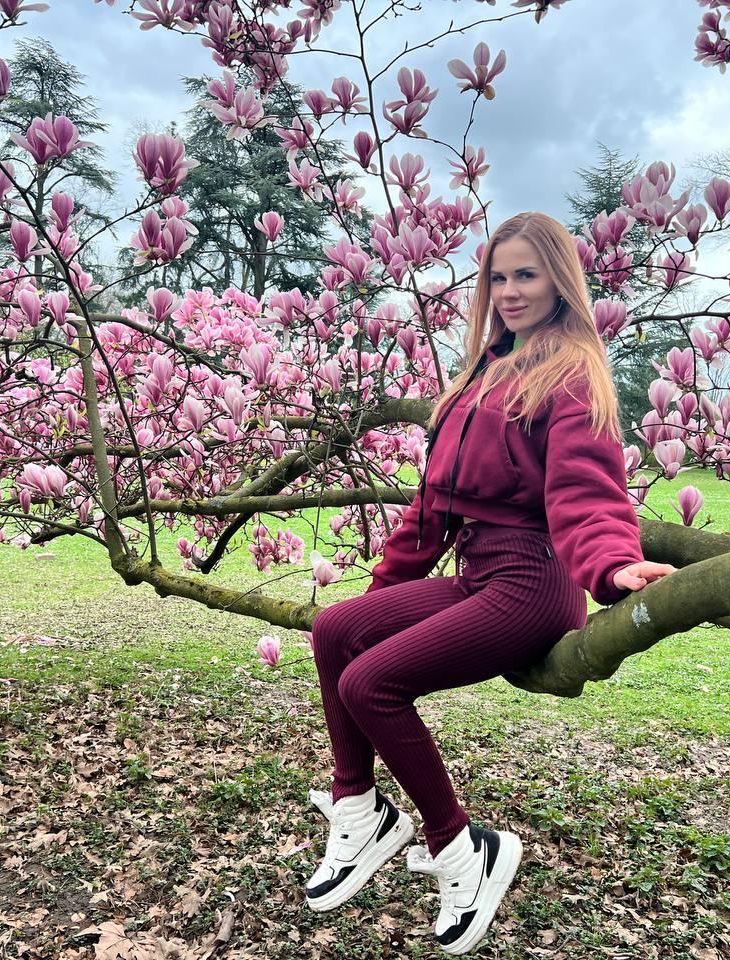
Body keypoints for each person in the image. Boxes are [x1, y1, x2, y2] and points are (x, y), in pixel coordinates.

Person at [304, 211, 677, 954]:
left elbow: (585, 491)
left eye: (526, 275)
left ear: (559, 281)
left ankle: (461, 850)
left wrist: (612, 565)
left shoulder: (571, 372)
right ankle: (360, 810)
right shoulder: (483, 371)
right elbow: (432, 508)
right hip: (478, 572)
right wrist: (382, 602)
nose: (509, 291)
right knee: (335, 629)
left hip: (532, 582)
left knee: (369, 684)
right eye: (498, 277)